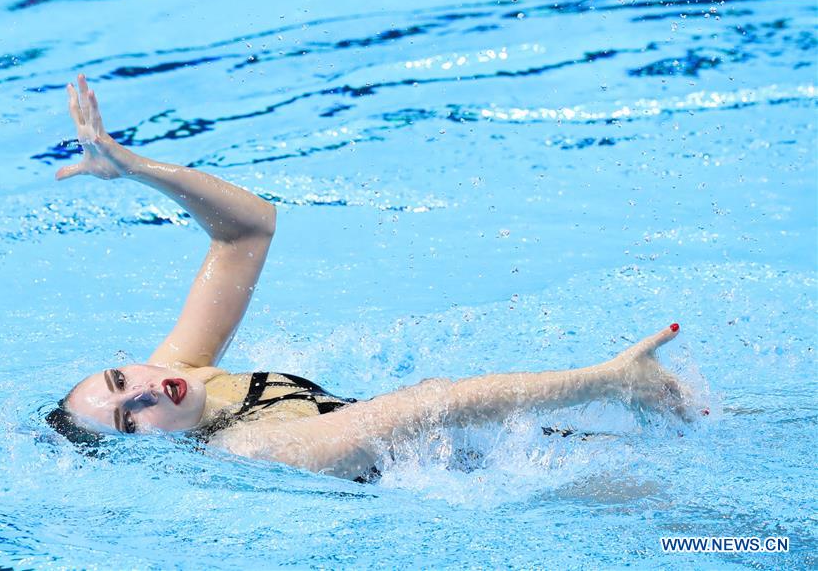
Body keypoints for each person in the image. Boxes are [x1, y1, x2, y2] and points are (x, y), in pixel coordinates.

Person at [47, 74, 697, 481]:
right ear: (147, 453)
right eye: (131, 420)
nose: (143, 394)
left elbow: (247, 229)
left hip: (506, 440)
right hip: (525, 480)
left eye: (120, 380)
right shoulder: (254, 449)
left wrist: (137, 169)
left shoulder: (184, 374)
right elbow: (430, 405)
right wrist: (608, 381)